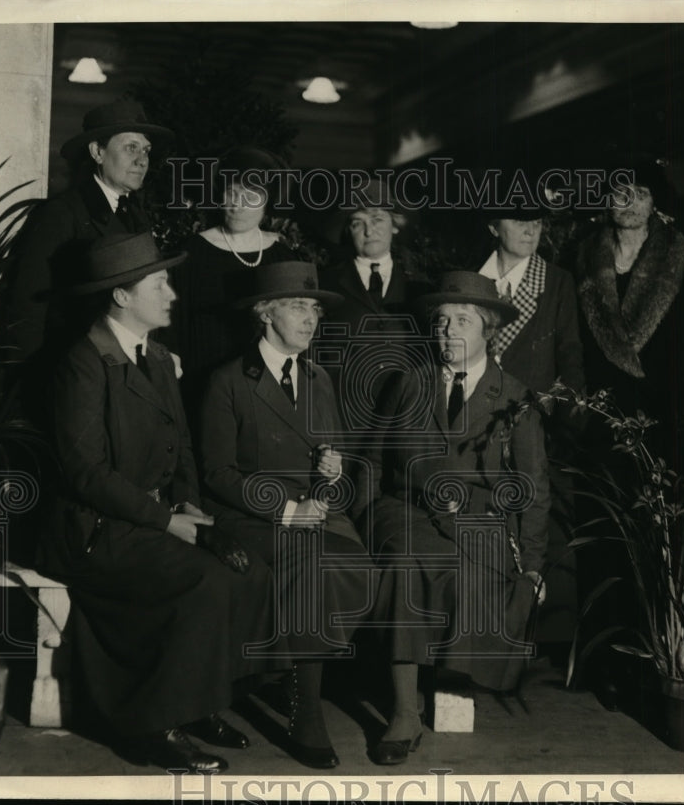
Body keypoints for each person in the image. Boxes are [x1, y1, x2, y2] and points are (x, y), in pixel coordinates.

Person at [37, 232, 281, 772]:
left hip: (149, 518)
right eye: (160, 284)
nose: (172, 294)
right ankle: (153, 726)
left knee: (249, 571)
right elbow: (87, 474)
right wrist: (168, 522)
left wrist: (188, 505)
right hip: (95, 529)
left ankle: (202, 702)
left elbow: (184, 449)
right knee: (204, 580)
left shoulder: (159, 358)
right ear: (122, 296)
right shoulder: (83, 363)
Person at [355, 271, 551, 765]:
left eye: (462, 321)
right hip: (404, 510)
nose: (448, 331)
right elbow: (373, 462)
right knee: (404, 563)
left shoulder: (515, 399)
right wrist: (364, 522)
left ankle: (450, 679)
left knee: (466, 572)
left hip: (478, 521)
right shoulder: (409, 384)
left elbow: (533, 488)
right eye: (441, 321)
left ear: (489, 330)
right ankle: (404, 712)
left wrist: (532, 566)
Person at [198, 261, 378, 770]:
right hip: (250, 516)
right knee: (313, 567)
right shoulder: (228, 381)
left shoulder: (319, 379)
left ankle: (281, 673)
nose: (311, 318)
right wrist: (286, 509)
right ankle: (306, 712)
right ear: (264, 313)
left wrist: (331, 471)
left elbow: (334, 462)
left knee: (361, 568)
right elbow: (216, 473)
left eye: (315, 309)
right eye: (299, 307)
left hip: (314, 514)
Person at [573, 158, 684, 709]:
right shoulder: (582, 255)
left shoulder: (680, 256)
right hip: (599, 426)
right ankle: (605, 663)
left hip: (661, 426)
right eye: (618, 191)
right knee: (602, 544)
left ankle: (655, 661)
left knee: (655, 548)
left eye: (639, 191)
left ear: (655, 202)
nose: (627, 201)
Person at [476, 173, 586, 653]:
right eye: (518, 220)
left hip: (538, 425)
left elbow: (570, 356)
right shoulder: (473, 281)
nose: (529, 229)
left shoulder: (556, 282)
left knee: (546, 526)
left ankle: (552, 647)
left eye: (537, 221)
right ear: (493, 226)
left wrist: (566, 415)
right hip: (478, 424)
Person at [0, 101, 173, 367]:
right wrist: (29, 379)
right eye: (131, 148)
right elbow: (26, 306)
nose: (142, 160)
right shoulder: (60, 214)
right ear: (97, 152)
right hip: (73, 371)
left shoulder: (136, 215)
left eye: (146, 150)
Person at [162, 146, 296, 398]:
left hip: (266, 388)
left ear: (267, 200)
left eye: (251, 196)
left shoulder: (281, 255)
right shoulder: (190, 253)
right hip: (202, 382)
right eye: (231, 193)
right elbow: (169, 324)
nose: (238, 205)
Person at [317, 176, 433, 429]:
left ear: (395, 225)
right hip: (343, 422)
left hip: (405, 422)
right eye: (357, 223)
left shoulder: (421, 286)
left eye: (377, 219)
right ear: (348, 231)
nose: (369, 231)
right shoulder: (324, 285)